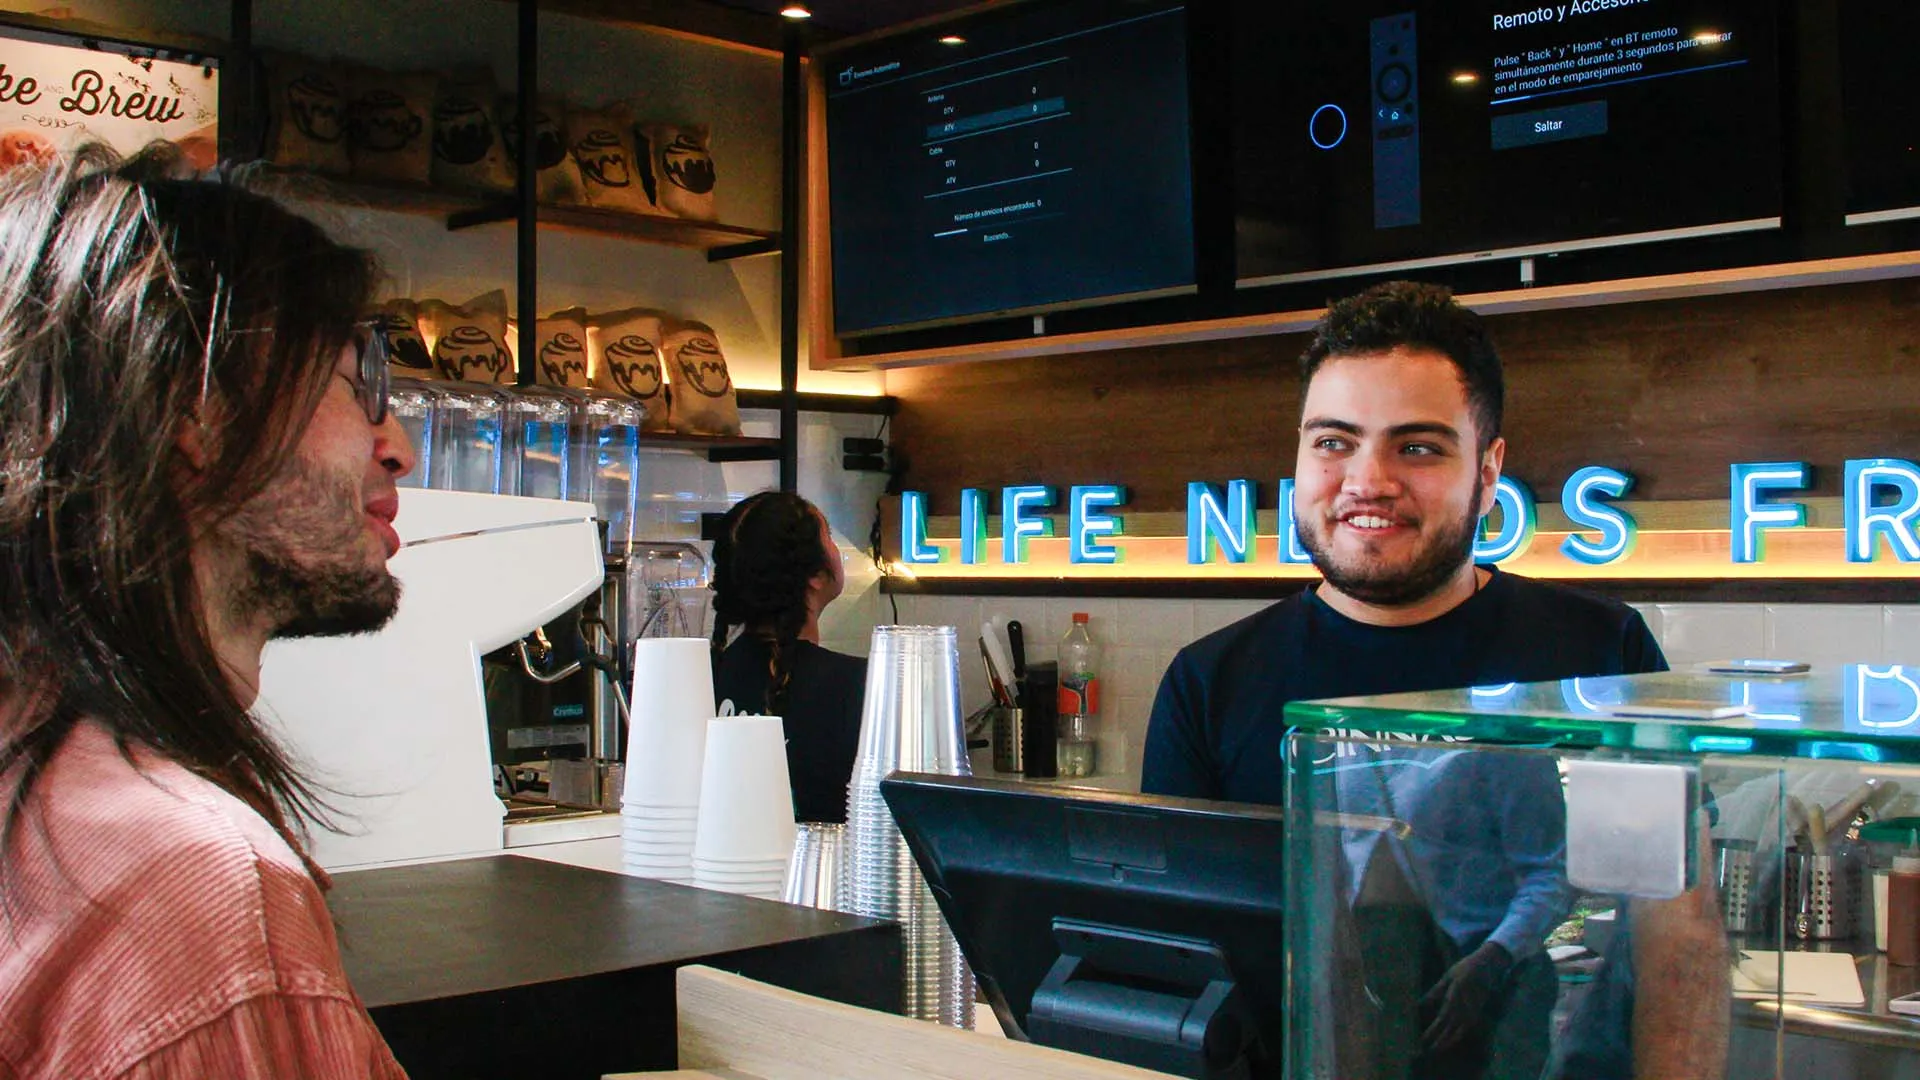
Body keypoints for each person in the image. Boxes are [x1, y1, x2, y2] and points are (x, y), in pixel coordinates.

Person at [1142, 281, 1668, 1080]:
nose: (1367, 479)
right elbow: (1172, 969)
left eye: (1416, 446)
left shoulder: (1601, 655)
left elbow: (1671, 935)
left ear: (1488, 472)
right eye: (1333, 442)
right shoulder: (1208, 682)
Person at [0, 144, 413, 1077]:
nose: (400, 447)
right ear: (195, 410)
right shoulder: (195, 893)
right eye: (364, 383)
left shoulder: (44, 792)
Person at [710, 490, 864, 824]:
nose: (837, 549)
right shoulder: (856, 685)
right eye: (830, 537)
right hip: (825, 874)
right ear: (816, 575)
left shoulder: (707, 673)